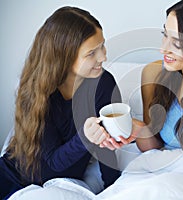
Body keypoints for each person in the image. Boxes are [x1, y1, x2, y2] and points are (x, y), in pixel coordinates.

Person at [0, 6, 121, 199]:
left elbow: (105, 148)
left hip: (59, 185)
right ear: (64, 57)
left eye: (102, 46)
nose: (103, 57)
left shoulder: (104, 84)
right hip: (16, 176)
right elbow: (52, 165)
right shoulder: (35, 92)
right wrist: (85, 137)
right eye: (91, 53)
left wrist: (114, 190)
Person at [95, 0, 183, 156]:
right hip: (169, 171)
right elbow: (156, 147)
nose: (163, 49)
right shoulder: (153, 74)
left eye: (177, 42)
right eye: (165, 35)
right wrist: (139, 129)